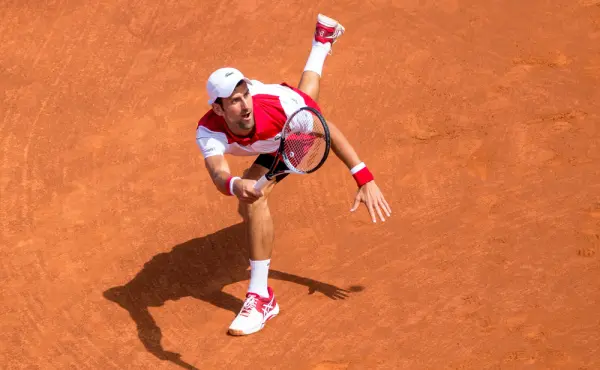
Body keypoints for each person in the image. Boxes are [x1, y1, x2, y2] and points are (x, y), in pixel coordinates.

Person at [195, 14, 391, 336]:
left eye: (245, 95)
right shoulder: (208, 131)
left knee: (255, 202)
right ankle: (322, 41)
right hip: (285, 119)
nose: (244, 105)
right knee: (245, 199)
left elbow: (325, 130)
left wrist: (364, 178)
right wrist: (235, 184)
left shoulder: (279, 106)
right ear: (218, 109)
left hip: (293, 136)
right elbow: (217, 173)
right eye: (234, 101)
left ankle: (261, 298)